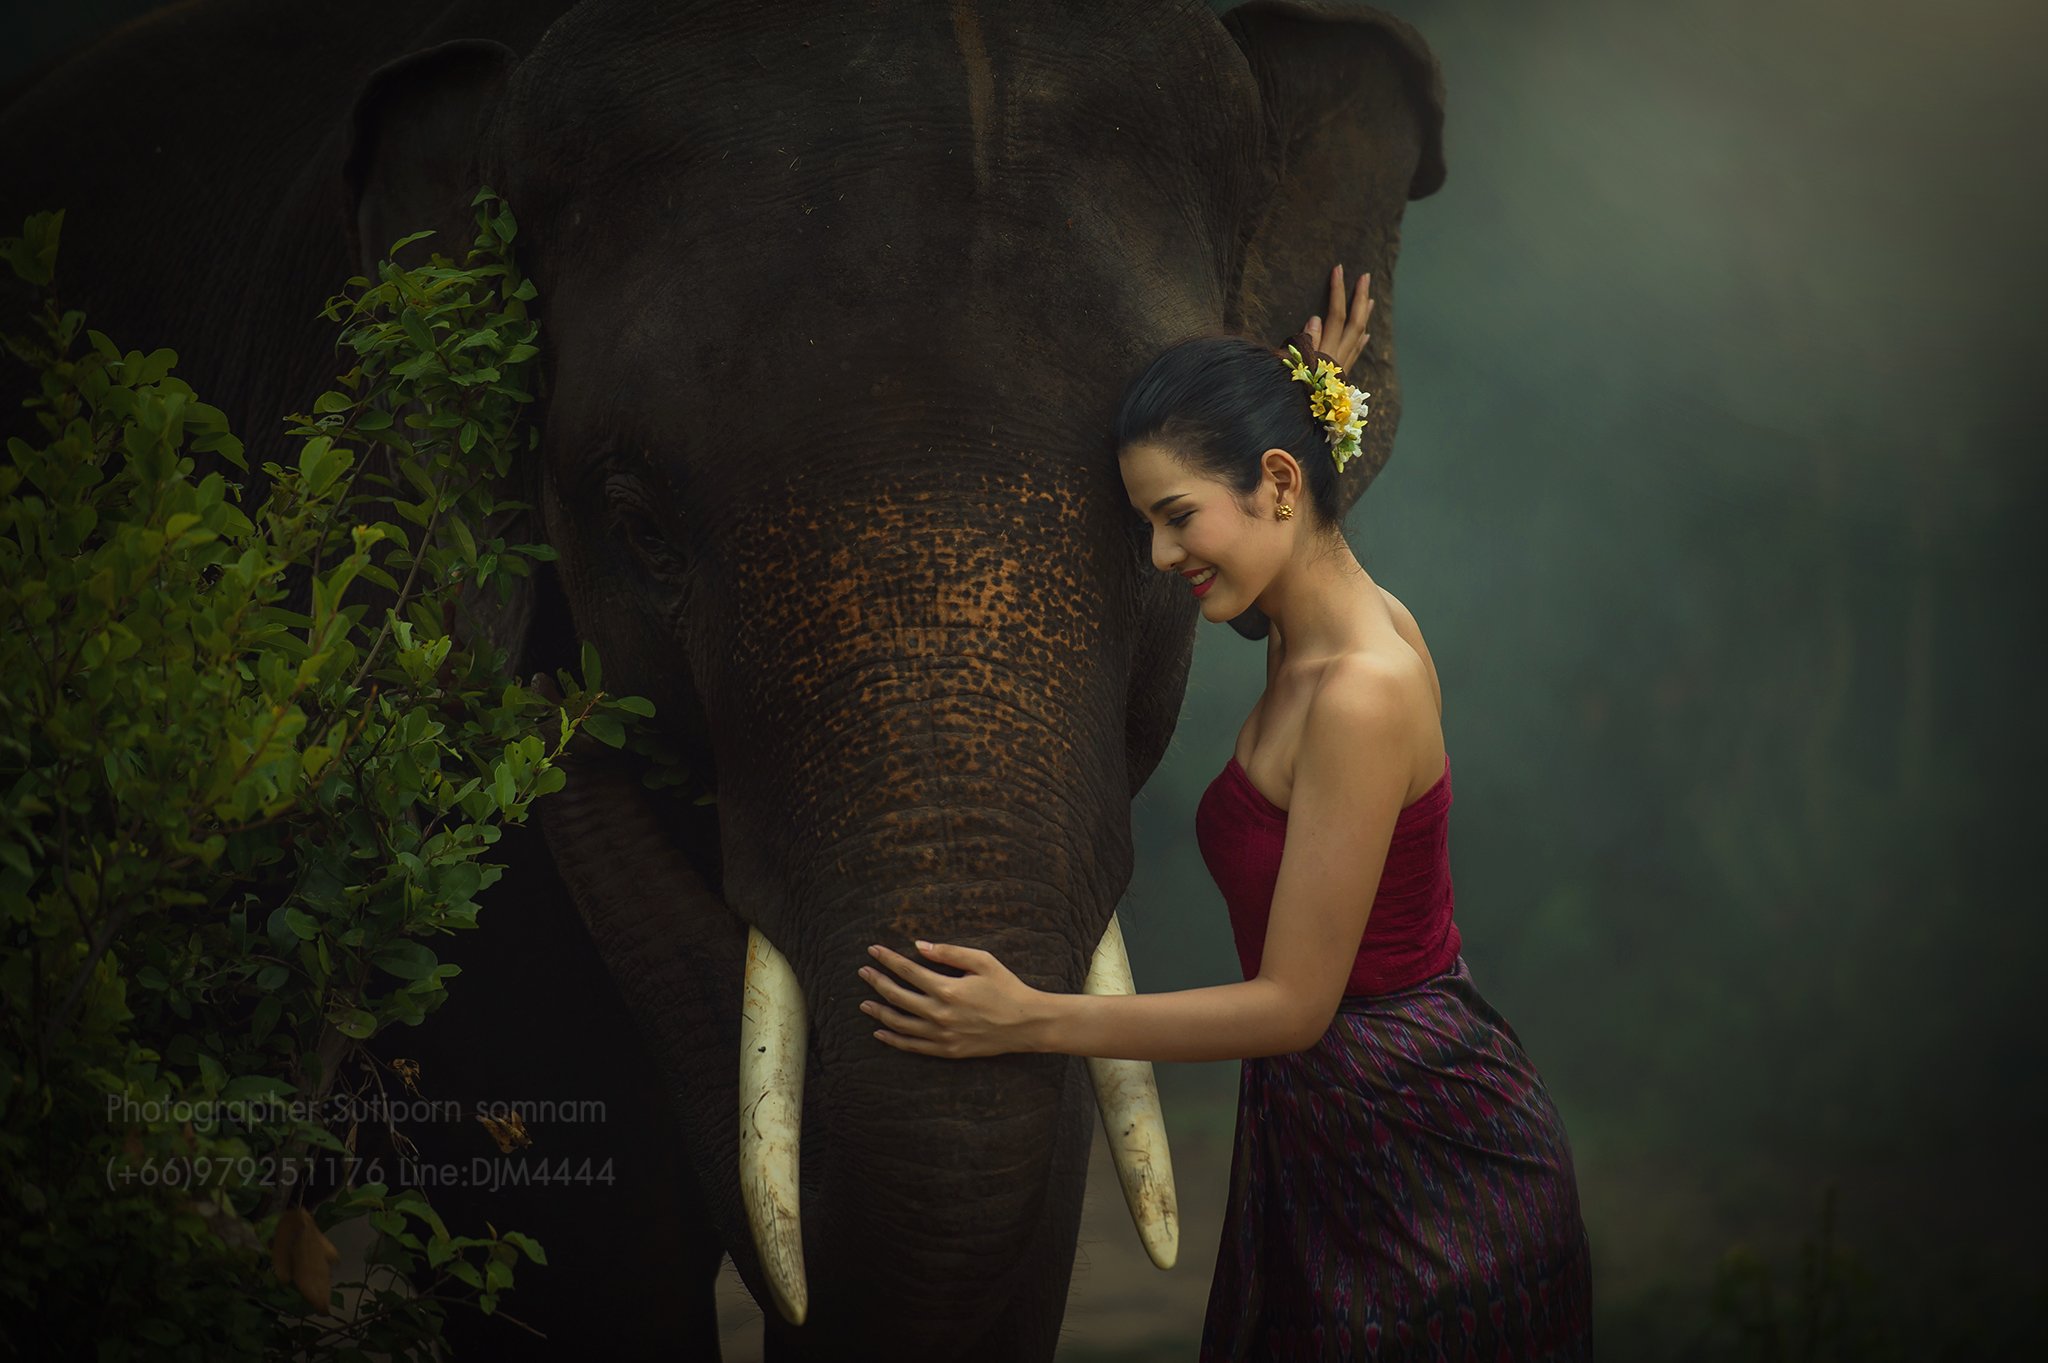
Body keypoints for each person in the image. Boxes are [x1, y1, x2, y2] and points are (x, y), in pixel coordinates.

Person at [854, 264, 1593, 1359]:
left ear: (1279, 483)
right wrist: (1312, 388)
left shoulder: (1359, 689)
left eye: (1174, 518)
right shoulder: (1312, 619)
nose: (1160, 556)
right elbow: (1285, 520)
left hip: (1428, 1154)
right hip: (1324, 1129)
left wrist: (1032, 1019)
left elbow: (1294, 1006)